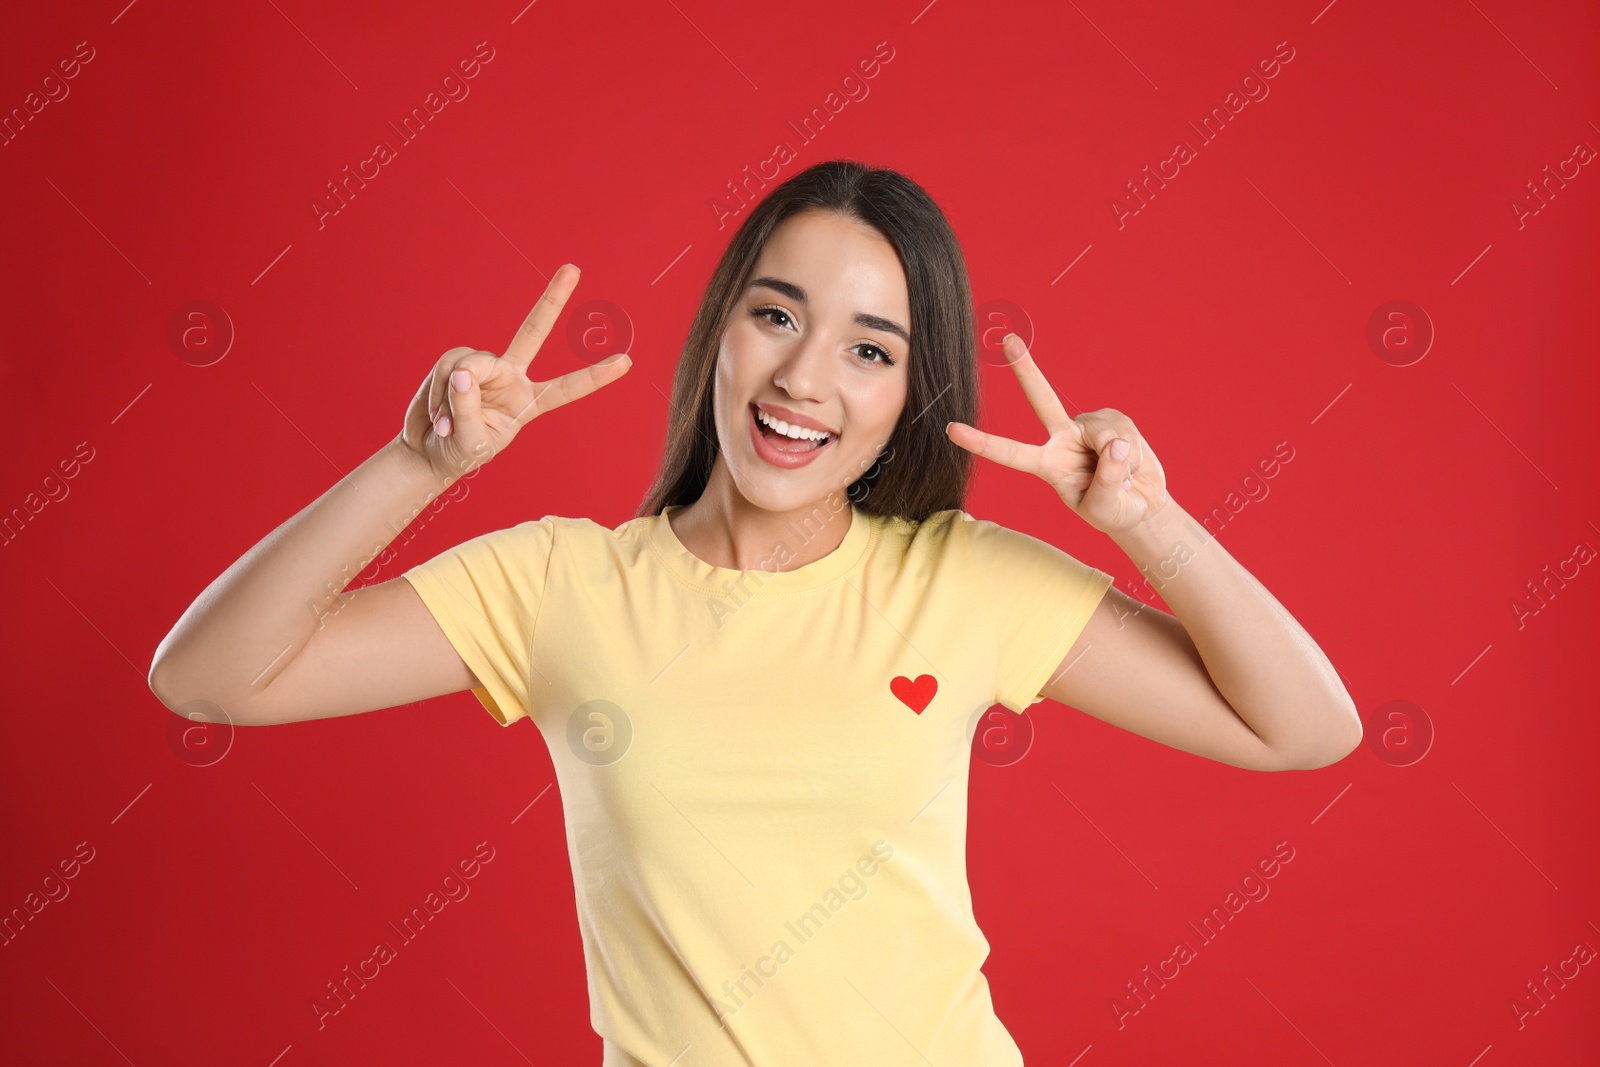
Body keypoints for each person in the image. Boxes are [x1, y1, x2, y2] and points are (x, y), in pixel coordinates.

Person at [149, 160, 1361, 1065]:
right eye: (776, 315)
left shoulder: (961, 578)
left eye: (870, 350)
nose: (803, 378)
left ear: (909, 392)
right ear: (719, 329)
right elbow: (209, 677)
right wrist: (418, 465)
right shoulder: (559, 582)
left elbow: (1305, 726)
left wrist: (1148, 522)